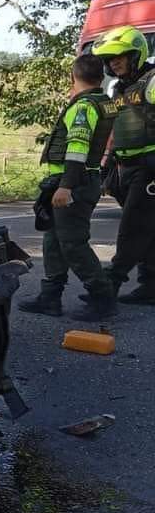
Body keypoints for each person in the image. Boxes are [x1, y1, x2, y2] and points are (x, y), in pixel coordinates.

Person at [19, 53, 118, 320]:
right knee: (53, 240)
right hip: (72, 181)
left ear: (73, 76)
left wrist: (66, 186)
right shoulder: (101, 102)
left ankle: (103, 298)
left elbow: (77, 149)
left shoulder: (83, 108)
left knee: (73, 244)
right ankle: (50, 297)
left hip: (74, 183)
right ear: (101, 78)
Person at [92, 25, 155, 305]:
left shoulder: (153, 81)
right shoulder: (117, 88)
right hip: (123, 166)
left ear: (135, 55)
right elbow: (112, 125)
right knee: (148, 228)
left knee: (132, 227)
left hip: (150, 167)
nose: (114, 63)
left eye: (119, 57)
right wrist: (106, 162)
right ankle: (150, 286)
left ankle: (108, 287)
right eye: (110, 59)